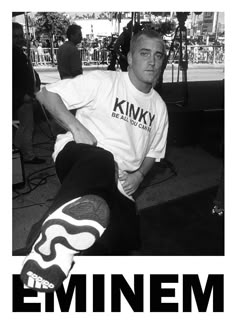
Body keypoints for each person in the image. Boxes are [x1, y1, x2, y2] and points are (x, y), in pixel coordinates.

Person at [20, 29, 168, 292]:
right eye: (145, 53)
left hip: (119, 181)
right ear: (130, 57)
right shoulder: (104, 81)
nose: (152, 61)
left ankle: (64, 263)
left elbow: (154, 154)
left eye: (158, 55)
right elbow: (47, 95)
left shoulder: (159, 107)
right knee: (102, 159)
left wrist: (139, 175)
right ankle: (43, 246)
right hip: (81, 158)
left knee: (122, 237)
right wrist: (76, 127)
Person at [12, 22, 45, 164]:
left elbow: (28, 71)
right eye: (15, 36)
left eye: (21, 35)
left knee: (26, 127)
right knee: (26, 127)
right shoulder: (12, 54)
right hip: (22, 98)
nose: (20, 39)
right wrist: (21, 95)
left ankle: (18, 152)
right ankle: (26, 155)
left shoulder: (18, 52)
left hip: (26, 95)